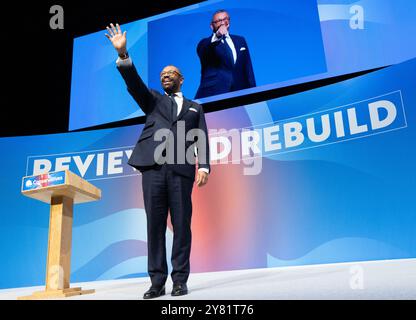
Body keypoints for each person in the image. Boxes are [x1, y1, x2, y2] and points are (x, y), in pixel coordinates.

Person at [105, 23, 210, 299]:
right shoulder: (152, 100)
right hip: (152, 169)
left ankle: (179, 280)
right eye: (162, 74)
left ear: (181, 79)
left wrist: (205, 166)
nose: (165, 76)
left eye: (170, 74)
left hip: (182, 170)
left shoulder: (194, 107)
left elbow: (202, 138)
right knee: (154, 225)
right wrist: (124, 55)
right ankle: (156, 282)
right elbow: (134, 84)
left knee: (181, 225)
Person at [195, 9, 256, 99]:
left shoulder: (240, 40)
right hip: (215, 92)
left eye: (225, 19)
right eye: (219, 21)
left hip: (240, 91)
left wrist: (254, 91)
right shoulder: (205, 43)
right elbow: (205, 49)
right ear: (212, 26)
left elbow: (248, 68)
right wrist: (218, 35)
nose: (223, 22)